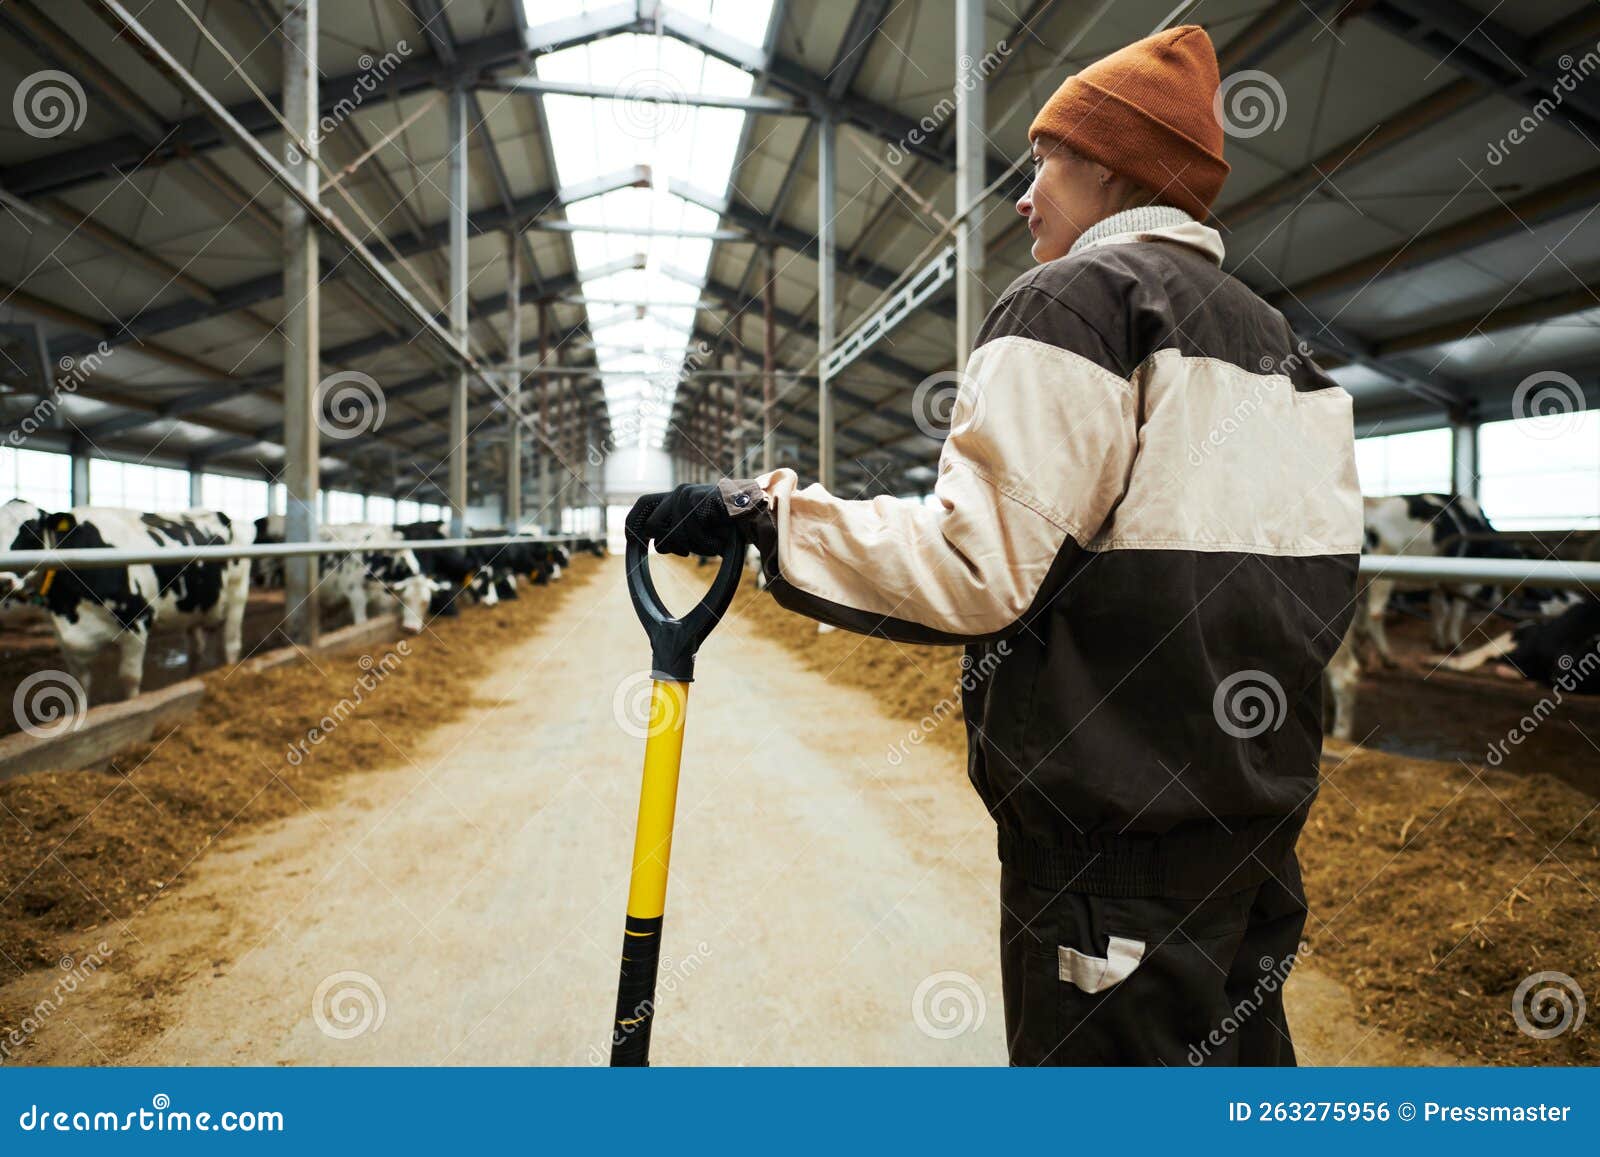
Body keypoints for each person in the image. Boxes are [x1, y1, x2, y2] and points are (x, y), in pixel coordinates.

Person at [628, 25, 1363, 1066]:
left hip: (1111, 833)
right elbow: (1324, 587)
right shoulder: (1284, 350)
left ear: (1108, 166)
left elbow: (978, 568)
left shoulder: (1077, 303)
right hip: (1252, 819)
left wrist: (762, 512)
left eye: (1045, 161)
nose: (1022, 196)